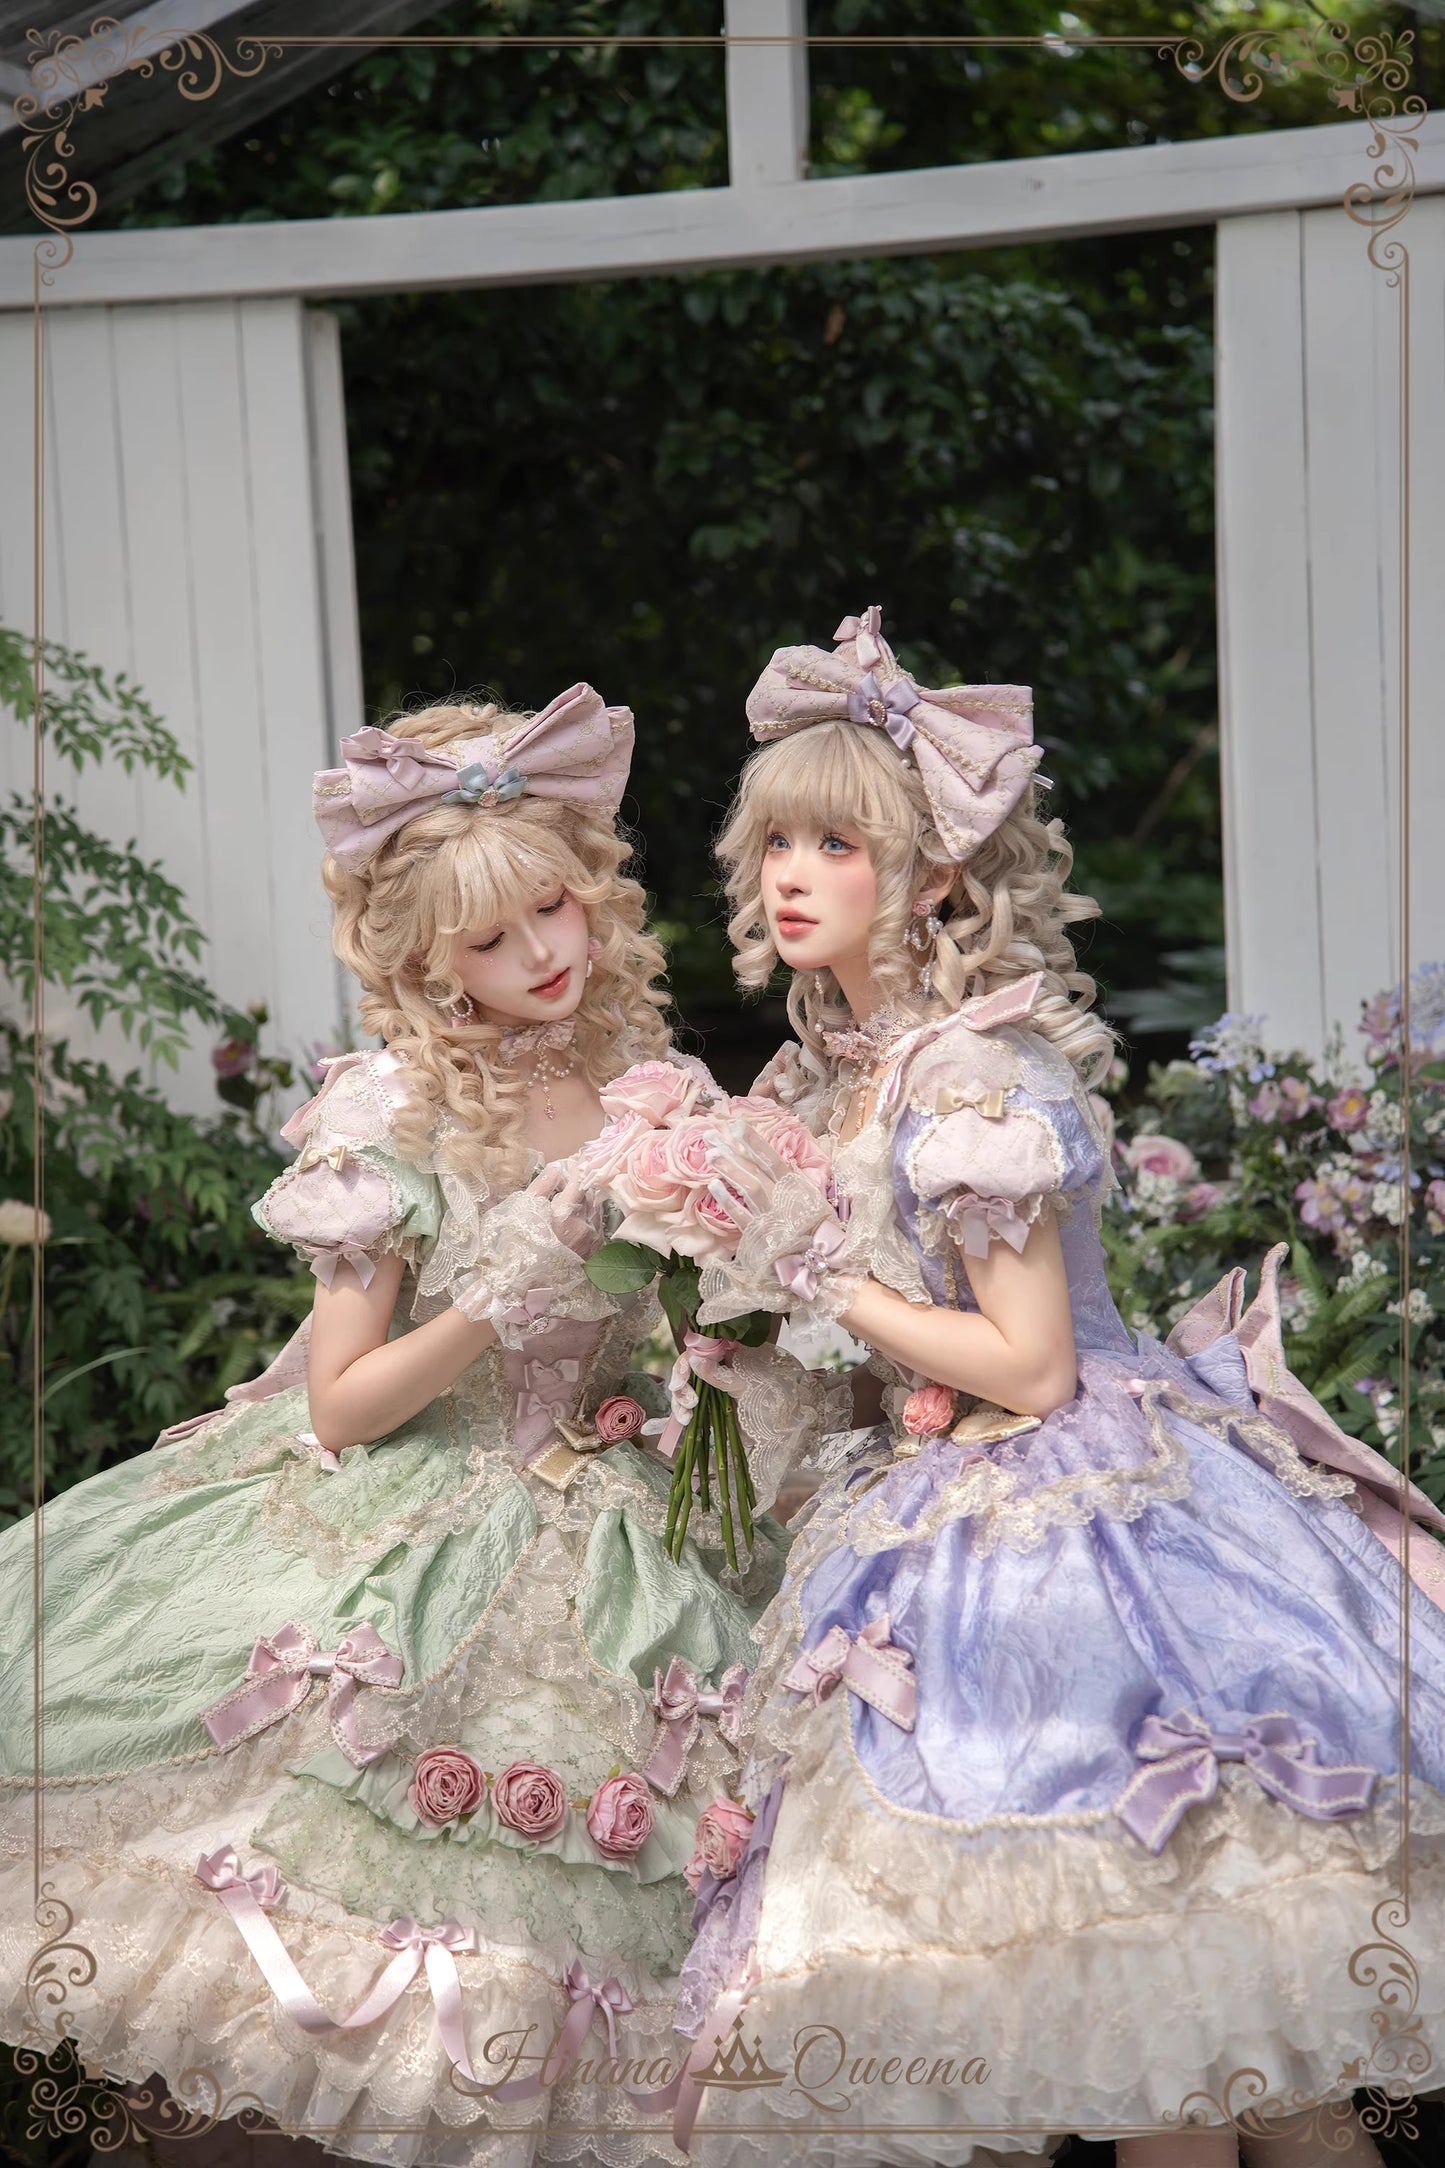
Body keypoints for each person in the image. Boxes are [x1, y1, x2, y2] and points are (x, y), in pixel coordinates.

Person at [0, 685, 830, 2165]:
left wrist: (721, 1344)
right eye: (492, 942)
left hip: (614, 1511)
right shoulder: (390, 1114)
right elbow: (342, 1403)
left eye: (555, 911)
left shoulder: (652, 1091)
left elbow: (695, 1328)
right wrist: (500, 1294)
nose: (543, 956)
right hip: (417, 1496)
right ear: (428, 960)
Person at [675, 609, 1445, 2168]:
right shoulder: (848, 1076)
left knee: (1181, 2024)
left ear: (933, 879)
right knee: (1194, 2037)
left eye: (837, 844)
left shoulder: (973, 1081)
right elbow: (890, 1343)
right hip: (943, 1503)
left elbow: (1029, 1364)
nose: (791, 874)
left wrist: (818, 1278)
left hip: (1084, 1527)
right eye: (778, 842)